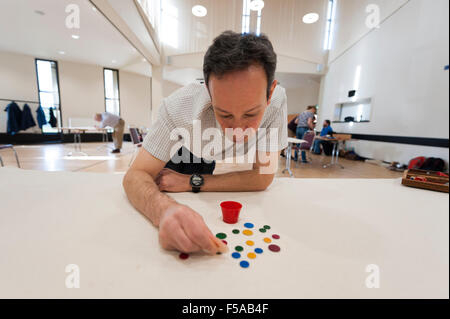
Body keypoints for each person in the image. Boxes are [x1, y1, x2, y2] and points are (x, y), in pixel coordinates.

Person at [123, 31, 287, 256]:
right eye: (225, 114)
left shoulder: (277, 102)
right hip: (181, 153)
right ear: (208, 92)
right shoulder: (179, 107)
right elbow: (135, 175)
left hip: (205, 159)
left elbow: (264, 175)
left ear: (270, 93)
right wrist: (162, 210)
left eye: (251, 113)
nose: (238, 130)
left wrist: (192, 182)